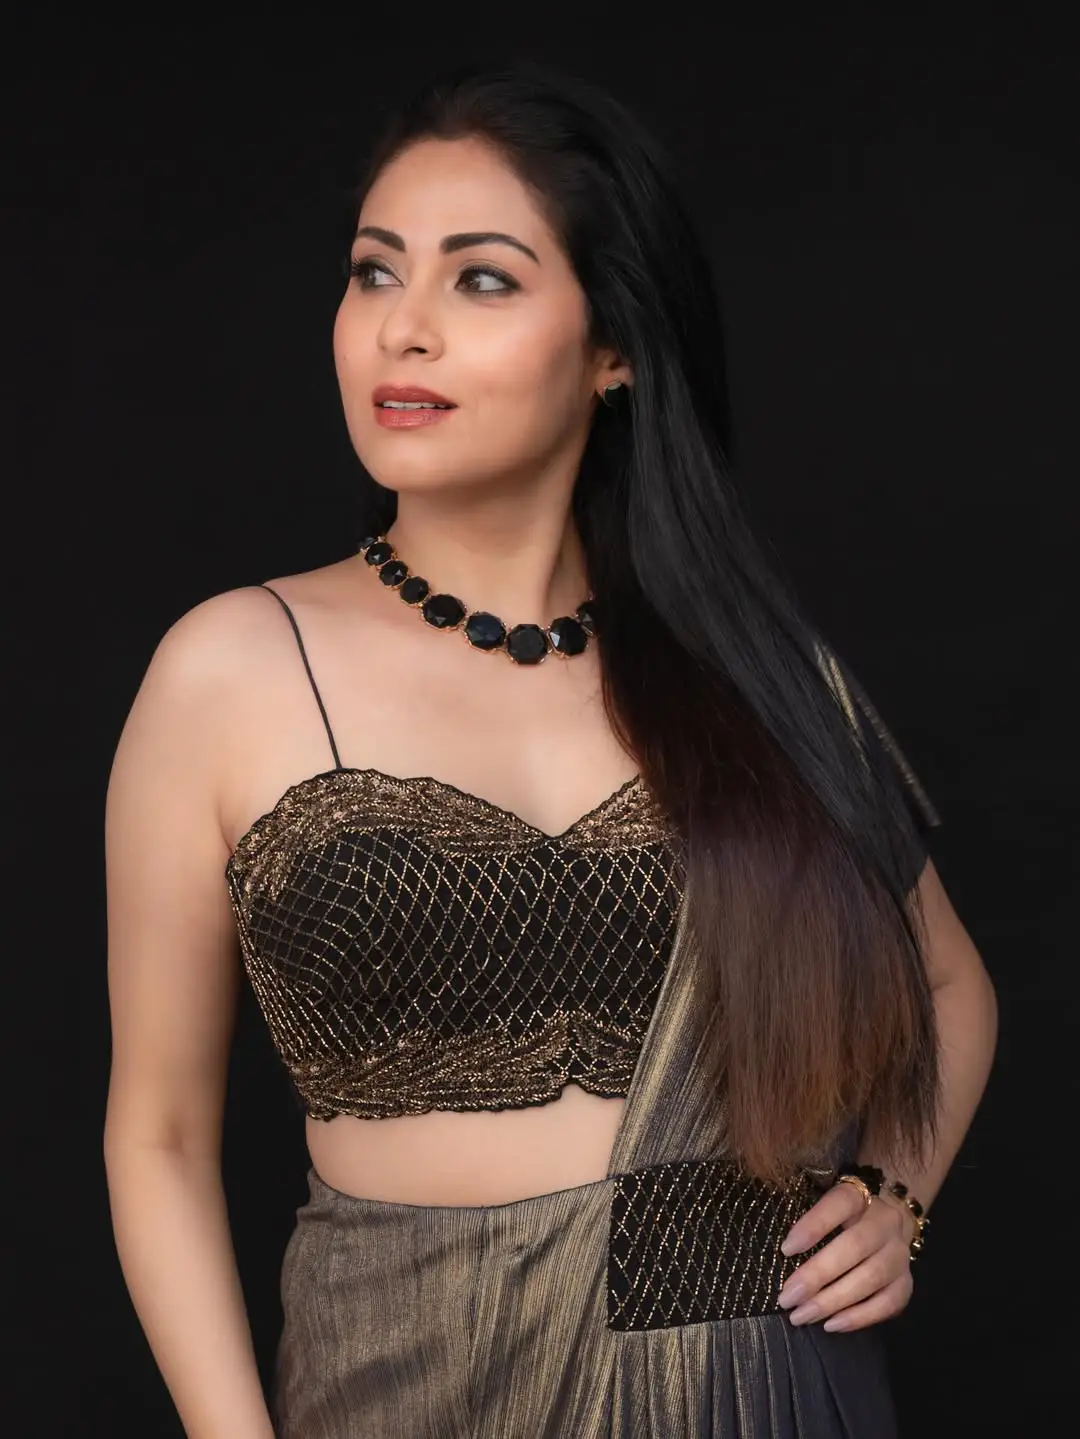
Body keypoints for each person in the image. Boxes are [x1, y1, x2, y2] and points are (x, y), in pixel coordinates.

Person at [102, 61, 998, 1439]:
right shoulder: (229, 668)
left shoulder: (749, 670)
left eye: (481, 280)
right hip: (397, 1373)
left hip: (749, 1379)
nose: (402, 329)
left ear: (613, 348)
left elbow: (948, 983)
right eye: (374, 271)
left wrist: (895, 1196)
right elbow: (157, 1136)